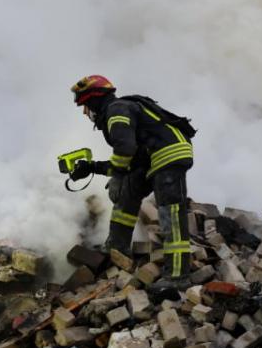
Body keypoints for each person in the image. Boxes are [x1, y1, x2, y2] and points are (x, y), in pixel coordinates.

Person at [68, 75, 195, 286]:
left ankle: (178, 276)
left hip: (168, 155)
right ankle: (116, 249)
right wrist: (91, 167)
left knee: (169, 212)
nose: (86, 112)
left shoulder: (116, 109)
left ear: (94, 100)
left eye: (86, 106)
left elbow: (124, 149)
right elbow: (127, 160)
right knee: (127, 193)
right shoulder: (118, 110)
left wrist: (117, 175)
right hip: (150, 157)